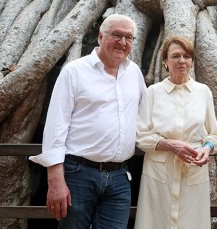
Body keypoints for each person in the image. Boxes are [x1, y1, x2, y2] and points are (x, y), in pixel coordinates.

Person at [29, 13, 146, 229]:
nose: (123, 42)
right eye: (117, 35)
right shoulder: (74, 72)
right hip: (78, 174)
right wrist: (55, 180)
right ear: (100, 37)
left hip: (120, 177)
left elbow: (148, 116)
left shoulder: (134, 73)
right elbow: (56, 126)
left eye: (129, 37)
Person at [134, 35, 217, 229]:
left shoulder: (203, 92)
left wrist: (207, 149)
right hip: (159, 174)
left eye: (186, 56)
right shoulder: (153, 92)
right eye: (175, 56)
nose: (182, 60)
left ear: (191, 61)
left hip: (193, 172)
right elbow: (140, 135)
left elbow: (215, 136)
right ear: (165, 62)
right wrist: (169, 145)